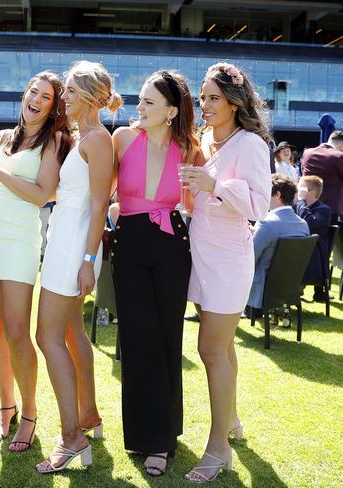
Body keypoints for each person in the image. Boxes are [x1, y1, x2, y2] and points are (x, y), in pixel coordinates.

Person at [0, 71, 73, 451]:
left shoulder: (55, 141)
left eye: (46, 96)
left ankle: (29, 412)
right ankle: (5, 406)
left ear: (53, 106)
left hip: (19, 240)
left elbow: (42, 194)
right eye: (33, 92)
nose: (36, 99)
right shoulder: (0, 138)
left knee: (16, 331)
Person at [179, 62, 272, 483]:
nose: (205, 104)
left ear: (234, 102)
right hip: (200, 252)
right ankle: (232, 420)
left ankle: (218, 448)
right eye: (202, 97)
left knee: (211, 350)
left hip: (230, 258)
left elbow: (258, 206)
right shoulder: (202, 139)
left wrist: (214, 186)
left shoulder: (250, 143)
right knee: (224, 346)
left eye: (213, 97)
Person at [111, 70, 199, 477]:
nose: (138, 107)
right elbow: (102, 192)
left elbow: (199, 205)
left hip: (171, 244)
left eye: (148, 102)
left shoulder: (190, 149)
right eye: (139, 99)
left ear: (170, 111)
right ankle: (144, 434)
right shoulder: (123, 139)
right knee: (136, 337)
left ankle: (163, 439)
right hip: (128, 242)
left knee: (167, 338)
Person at [35, 60, 121, 474]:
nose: (62, 98)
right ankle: (89, 418)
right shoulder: (81, 136)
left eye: (68, 91)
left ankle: (72, 439)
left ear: (88, 96)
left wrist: (88, 261)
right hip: (65, 239)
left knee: (46, 336)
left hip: (74, 245)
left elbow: (100, 205)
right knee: (69, 334)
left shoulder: (98, 140)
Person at [246, 174, 310, 314]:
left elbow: (250, 258)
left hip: (263, 286)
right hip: (290, 284)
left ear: (278, 194)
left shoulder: (267, 223)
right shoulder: (303, 224)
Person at [296, 175, 332, 302]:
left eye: (299, 187)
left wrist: (301, 201)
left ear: (309, 192)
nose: (296, 190)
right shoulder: (297, 207)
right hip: (299, 255)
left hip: (313, 260)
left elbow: (309, 224)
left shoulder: (324, 210)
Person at [301, 130, 343, 224]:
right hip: (331, 209)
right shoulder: (338, 156)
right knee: (329, 238)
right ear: (341, 145)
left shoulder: (307, 153)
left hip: (306, 206)